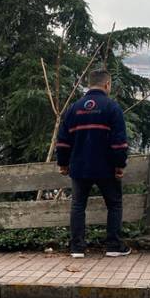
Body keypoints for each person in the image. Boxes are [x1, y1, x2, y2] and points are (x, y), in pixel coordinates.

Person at [56, 69, 131, 258]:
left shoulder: (74, 108)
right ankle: (114, 246)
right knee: (114, 205)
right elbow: (119, 142)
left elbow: (63, 141)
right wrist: (119, 165)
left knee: (78, 205)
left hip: (79, 166)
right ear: (107, 85)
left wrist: (63, 163)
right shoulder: (112, 108)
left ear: (89, 84)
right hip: (106, 167)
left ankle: (77, 248)